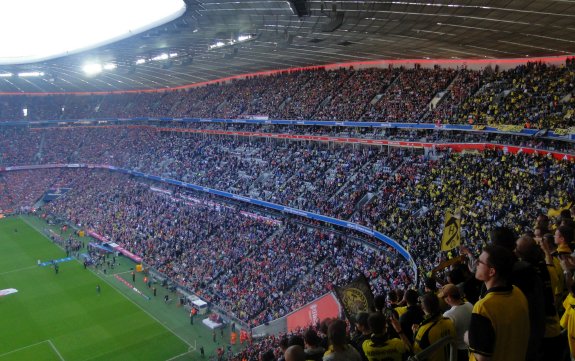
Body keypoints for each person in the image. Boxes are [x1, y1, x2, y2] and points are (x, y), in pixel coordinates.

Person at [467, 245, 530, 361]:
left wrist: (468, 338)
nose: (476, 264)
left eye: (480, 262)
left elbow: (482, 358)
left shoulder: (483, 308)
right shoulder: (518, 292)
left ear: (491, 271)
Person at [413, 293, 455, 361]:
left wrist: (415, 333)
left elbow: (417, 354)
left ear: (422, 307)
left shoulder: (424, 330)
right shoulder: (449, 321)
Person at [439, 284, 472, 361]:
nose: (444, 300)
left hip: (461, 351)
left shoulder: (448, 315)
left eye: (444, 297)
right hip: (474, 345)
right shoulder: (469, 304)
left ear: (449, 298)